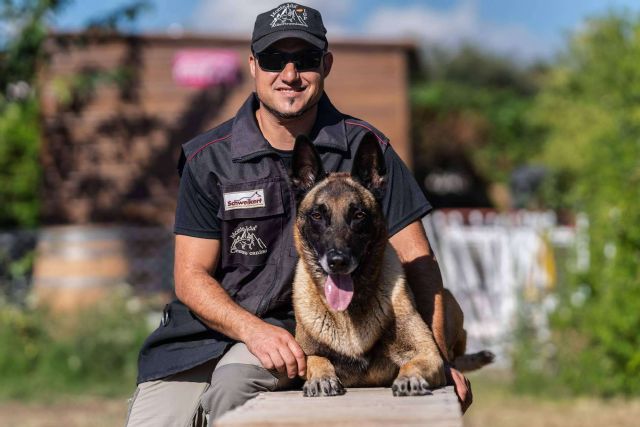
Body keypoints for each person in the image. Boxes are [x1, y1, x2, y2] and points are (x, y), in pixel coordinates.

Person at [125, 3, 472, 426]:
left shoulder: (368, 149)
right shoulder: (208, 158)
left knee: (232, 396)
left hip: (296, 334)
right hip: (205, 332)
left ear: (326, 65)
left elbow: (419, 262)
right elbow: (190, 278)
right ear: (253, 65)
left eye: (305, 60)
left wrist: (436, 360)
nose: (290, 75)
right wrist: (251, 330)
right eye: (274, 59)